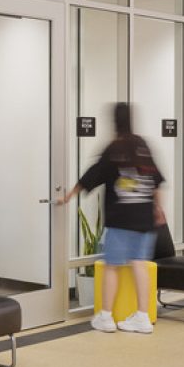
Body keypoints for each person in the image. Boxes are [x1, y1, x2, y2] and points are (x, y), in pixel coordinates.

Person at [56, 103, 165, 334]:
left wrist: (68, 196)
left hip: (121, 218)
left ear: (114, 121)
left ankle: (105, 317)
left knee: (112, 267)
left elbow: (92, 174)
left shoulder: (115, 148)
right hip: (144, 217)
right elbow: (157, 181)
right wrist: (158, 209)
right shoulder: (142, 145)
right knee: (139, 264)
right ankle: (143, 317)